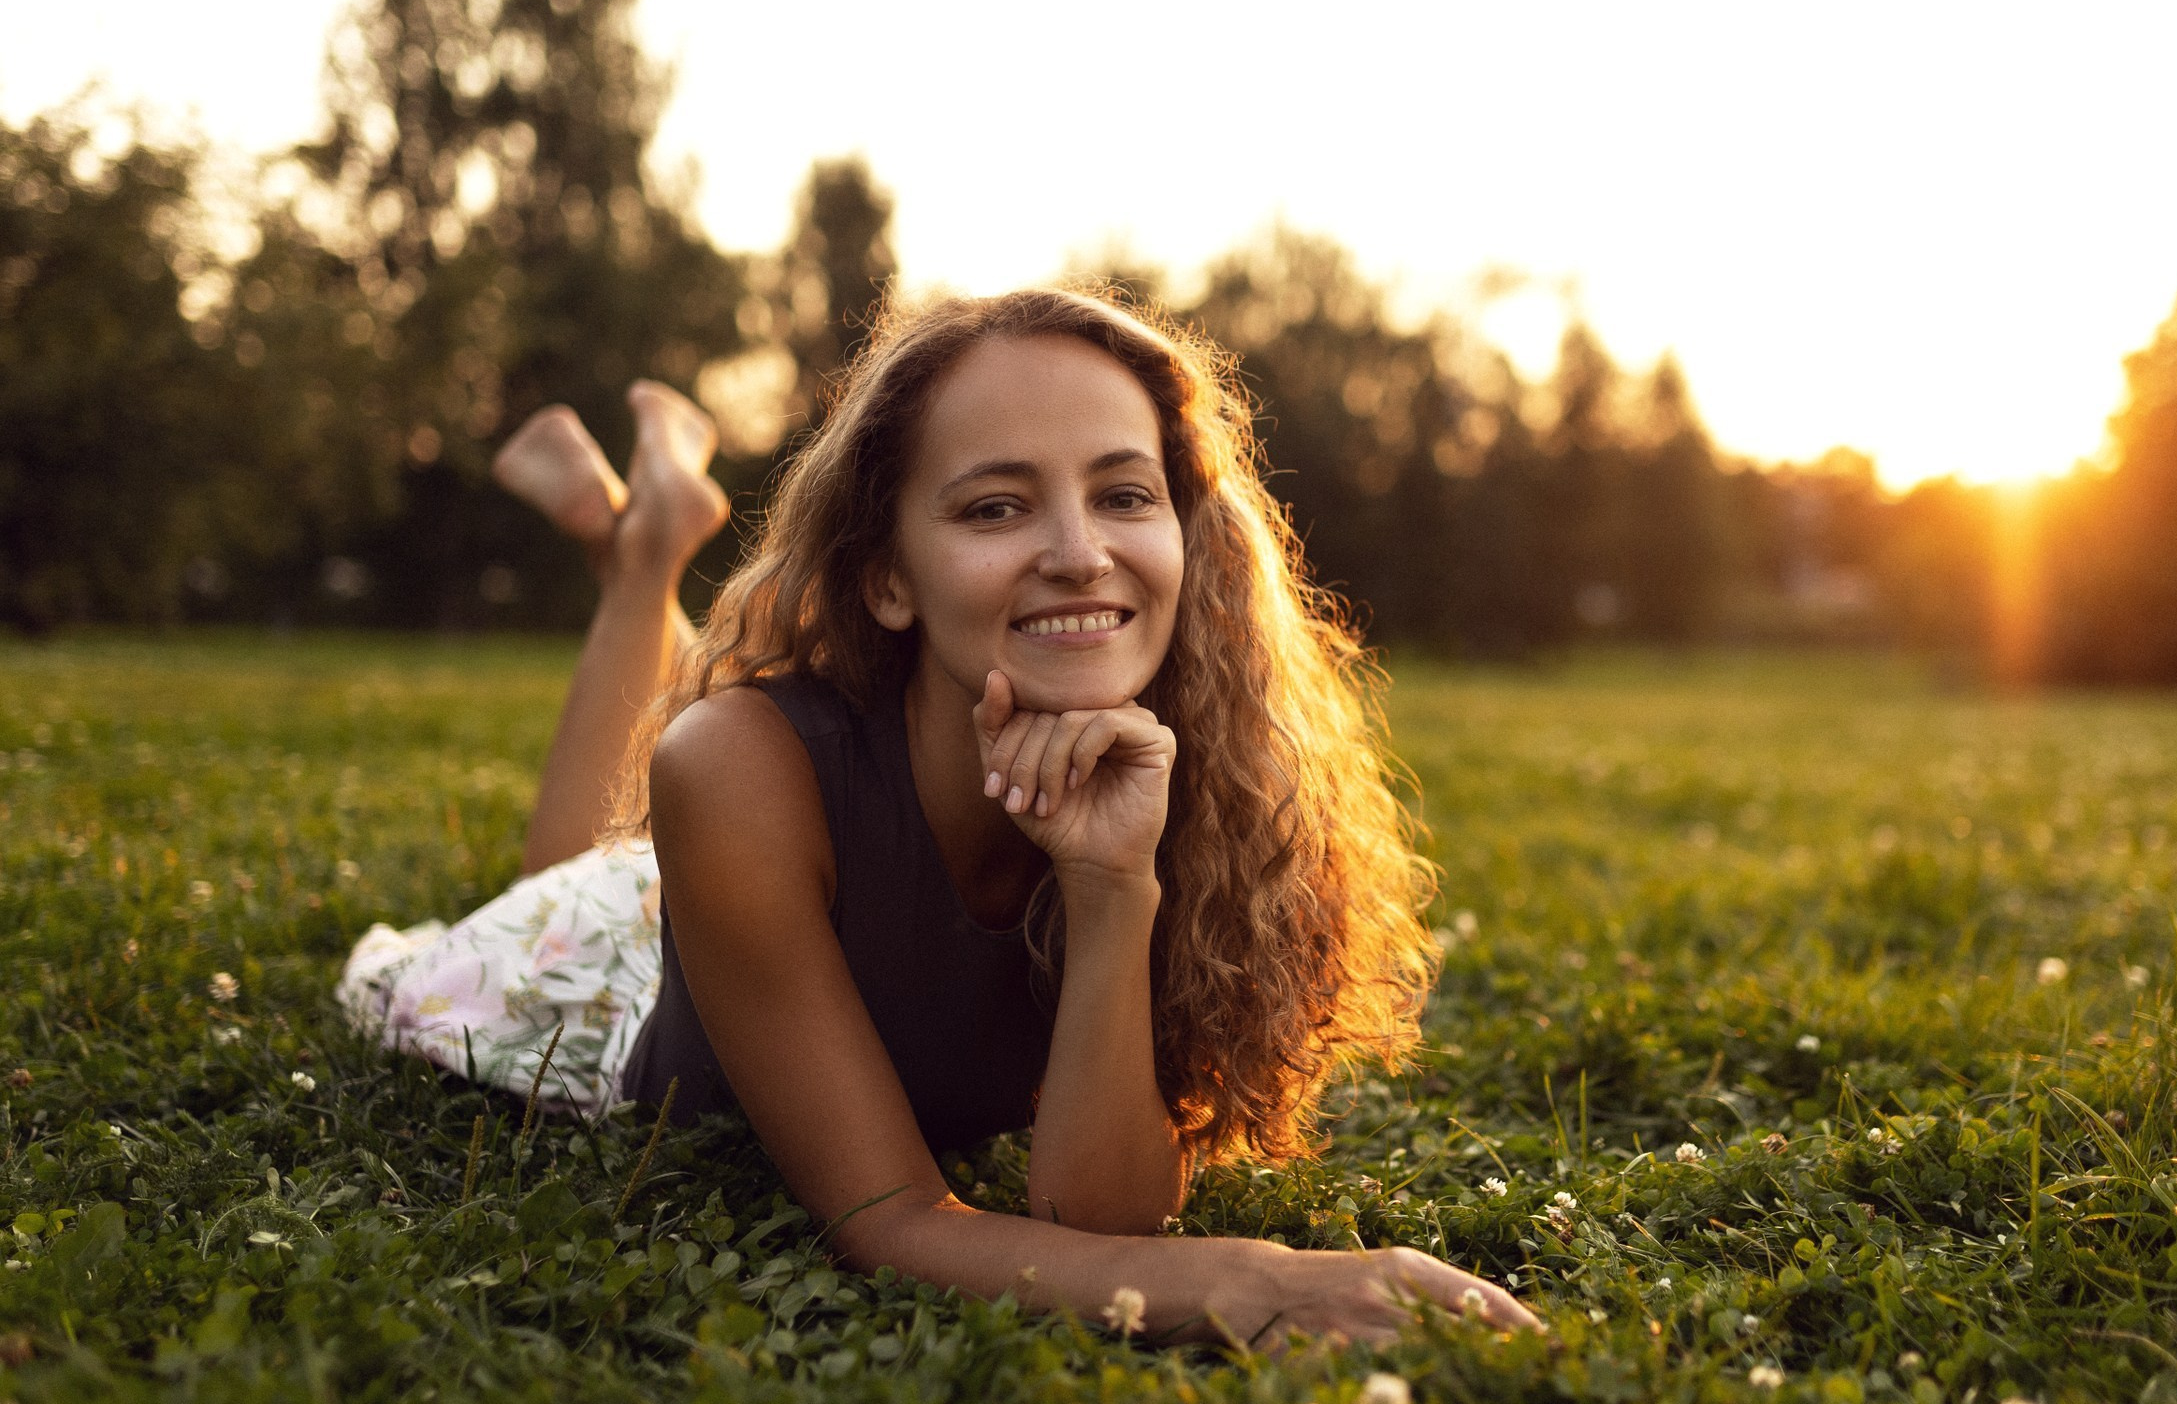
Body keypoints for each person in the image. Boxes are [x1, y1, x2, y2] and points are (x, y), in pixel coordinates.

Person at [342, 289, 1538, 1349]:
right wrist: (1256, 1281)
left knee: (625, 851)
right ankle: (645, 560)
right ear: (887, 578)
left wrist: (1112, 884)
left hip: (764, 881)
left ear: (1186, 534)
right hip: (606, 978)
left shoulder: (1187, 766)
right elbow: (888, 1220)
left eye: (1124, 493)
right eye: (993, 510)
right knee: (577, 877)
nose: (1079, 554)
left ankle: (646, 532)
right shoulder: (740, 768)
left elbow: (1102, 1221)